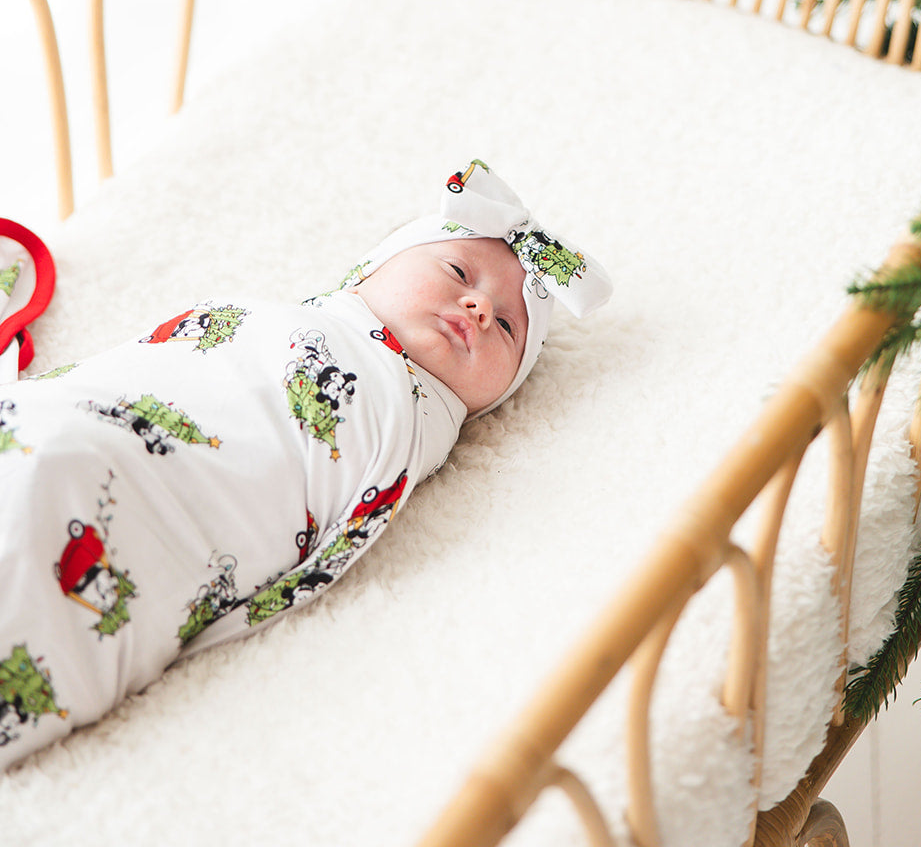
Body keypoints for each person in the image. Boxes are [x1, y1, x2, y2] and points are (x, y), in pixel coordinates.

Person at [0, 161, 610, 769]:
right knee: (52, 439)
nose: (478, 305)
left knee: (55, 491)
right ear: (373, 270)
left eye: (506, 326)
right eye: (457, 271)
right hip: (76, 417)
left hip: (131, 499)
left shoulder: (415, 419)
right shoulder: (286, 320)